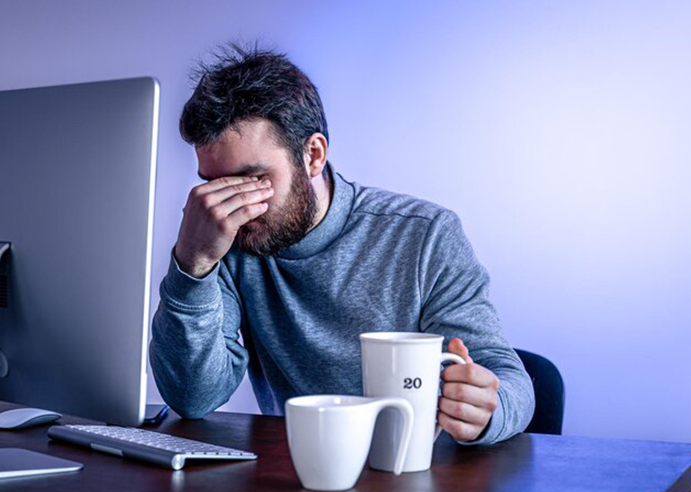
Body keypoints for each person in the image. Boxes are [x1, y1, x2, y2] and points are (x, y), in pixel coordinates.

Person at [150, 43, 535, 445]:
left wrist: (489, 409)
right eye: (214, 184)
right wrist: (192, 265)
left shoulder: (425, 235)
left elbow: (507, 378)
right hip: (303, 470)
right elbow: (193, 398)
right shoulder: (224, 241)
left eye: (251, 180)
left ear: (313, 155)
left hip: (413, 471)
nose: (232, 206)